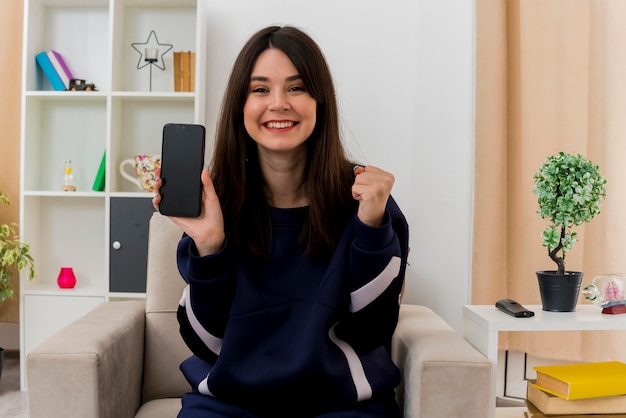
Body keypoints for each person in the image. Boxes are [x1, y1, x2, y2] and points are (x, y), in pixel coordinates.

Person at [152, 25, 409, 418]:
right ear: (241, 105)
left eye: (296, 88)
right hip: (229, 404)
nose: (278, 104)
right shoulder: (214, 205)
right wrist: (210, 246)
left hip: (340, 405)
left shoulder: (367, 200)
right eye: (260, 90)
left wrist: (372, 230)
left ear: (319, 102)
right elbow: (206, 343)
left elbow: (370, 331)